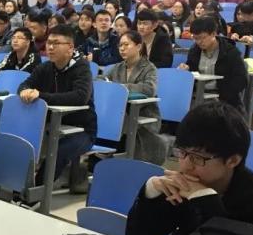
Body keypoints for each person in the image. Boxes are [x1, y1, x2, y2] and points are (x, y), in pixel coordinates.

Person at [125, 101, 253, 235]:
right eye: (182, 153)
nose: (186, 165)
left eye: (197, 158)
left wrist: (204, 198)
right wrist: (152, 191)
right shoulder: (182, 186)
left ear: (232, 160)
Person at [18, 25, 97, 192]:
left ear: (70, 48)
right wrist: (25, 91)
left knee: (58, 151)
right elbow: (25, 84)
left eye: (56, 43)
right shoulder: (46, 67)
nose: (50, 47)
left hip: (81, 130)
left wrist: (41, 96)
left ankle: (34, 194)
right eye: (49, 43)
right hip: (50, 126)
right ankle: (14, 184)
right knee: (20, 138)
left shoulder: (82, 68)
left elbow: (80, 97)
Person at [103, 31, 167, 164]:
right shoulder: (118, 67)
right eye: (120, 45)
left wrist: (121, 87)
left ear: (138, 46)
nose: (122, 48)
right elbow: (101, 80)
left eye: (126, 45)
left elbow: (149, 88)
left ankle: (112, 152)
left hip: (143, 114)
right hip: (120, 115)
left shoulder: (149, 68)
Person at [179, 16, 248, 112]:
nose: (199, 42)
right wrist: (185, 70)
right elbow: (191, 71)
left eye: (203, 38)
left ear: (213, 34)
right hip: (197, 96)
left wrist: (224, 95)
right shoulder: (194, 51)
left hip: (222, 100)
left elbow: (241, 79)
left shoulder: (230, 52)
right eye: (195, 38)